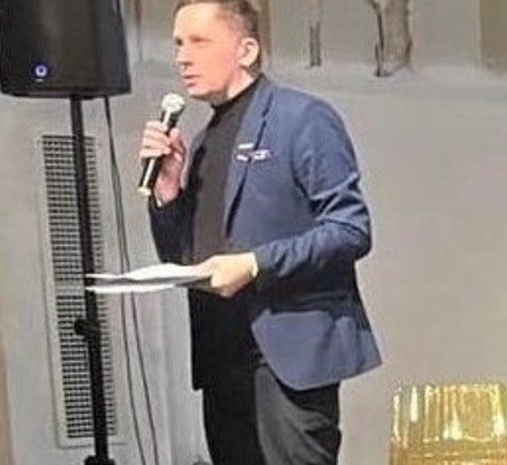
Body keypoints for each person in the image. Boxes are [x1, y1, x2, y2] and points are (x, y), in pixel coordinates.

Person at [139, 1, 381, 464]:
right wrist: (167, 195)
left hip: (285, 359)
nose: (182, 58)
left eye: (199, 42)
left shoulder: (302, 118)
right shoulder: (204, 141)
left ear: (246, 50)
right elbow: (186, 258)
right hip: (222, 359)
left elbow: (351, 228)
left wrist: (254, 264)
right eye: (178, 44)